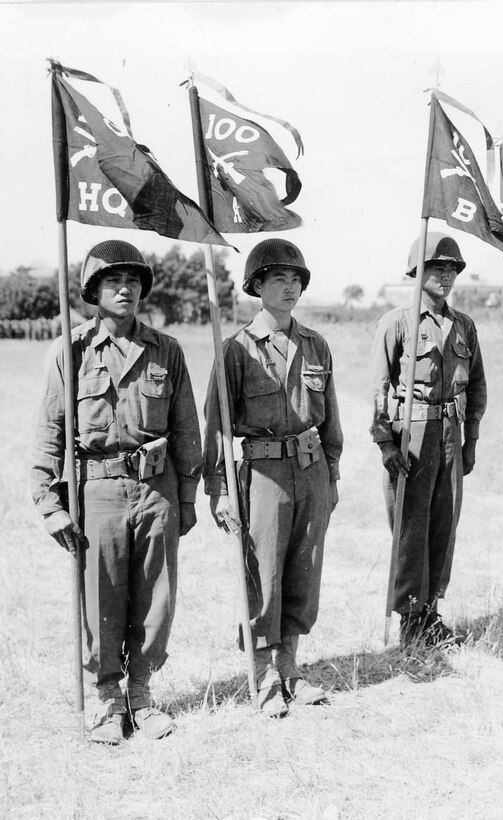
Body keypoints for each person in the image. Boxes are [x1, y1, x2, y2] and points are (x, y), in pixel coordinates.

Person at [31, 240, 202, 745]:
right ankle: (108, 699)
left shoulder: (166, 350)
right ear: (94, 292)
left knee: (157, 596)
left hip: (156, 489)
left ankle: (143, 695)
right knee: (100, 596)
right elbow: (50, 431)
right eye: (112, 282)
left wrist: (187, 496)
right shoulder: (72, 350)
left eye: (132, 281)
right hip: (97, 489)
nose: (124, 289)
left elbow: (187, 427)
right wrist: (49, 504)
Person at [203, 238, 342, 718]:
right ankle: (262, 676)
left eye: (296, 279)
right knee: (263, 571)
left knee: (305, 567)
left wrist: (333, 476)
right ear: (257, 285)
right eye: (279, 278)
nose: (290, 287)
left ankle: (291, 667)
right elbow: (216, 429)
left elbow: (331, 422)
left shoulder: (315, 344)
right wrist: (220, 490)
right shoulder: (237, 349)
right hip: (263, 471)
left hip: (312, 469)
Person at [370, 232, 486, 649]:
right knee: (411, 529)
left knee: (444, 526)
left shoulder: (464, 326)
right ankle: (410, 617)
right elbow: (379, 390)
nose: (446, 276)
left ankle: (432, 612)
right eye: (437, 268)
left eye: (452, 269)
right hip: (412, 437)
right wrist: (385, 444)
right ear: (417, 273)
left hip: (450, 434)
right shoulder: (397, 322)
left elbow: (476, 389)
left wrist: (469, 441)